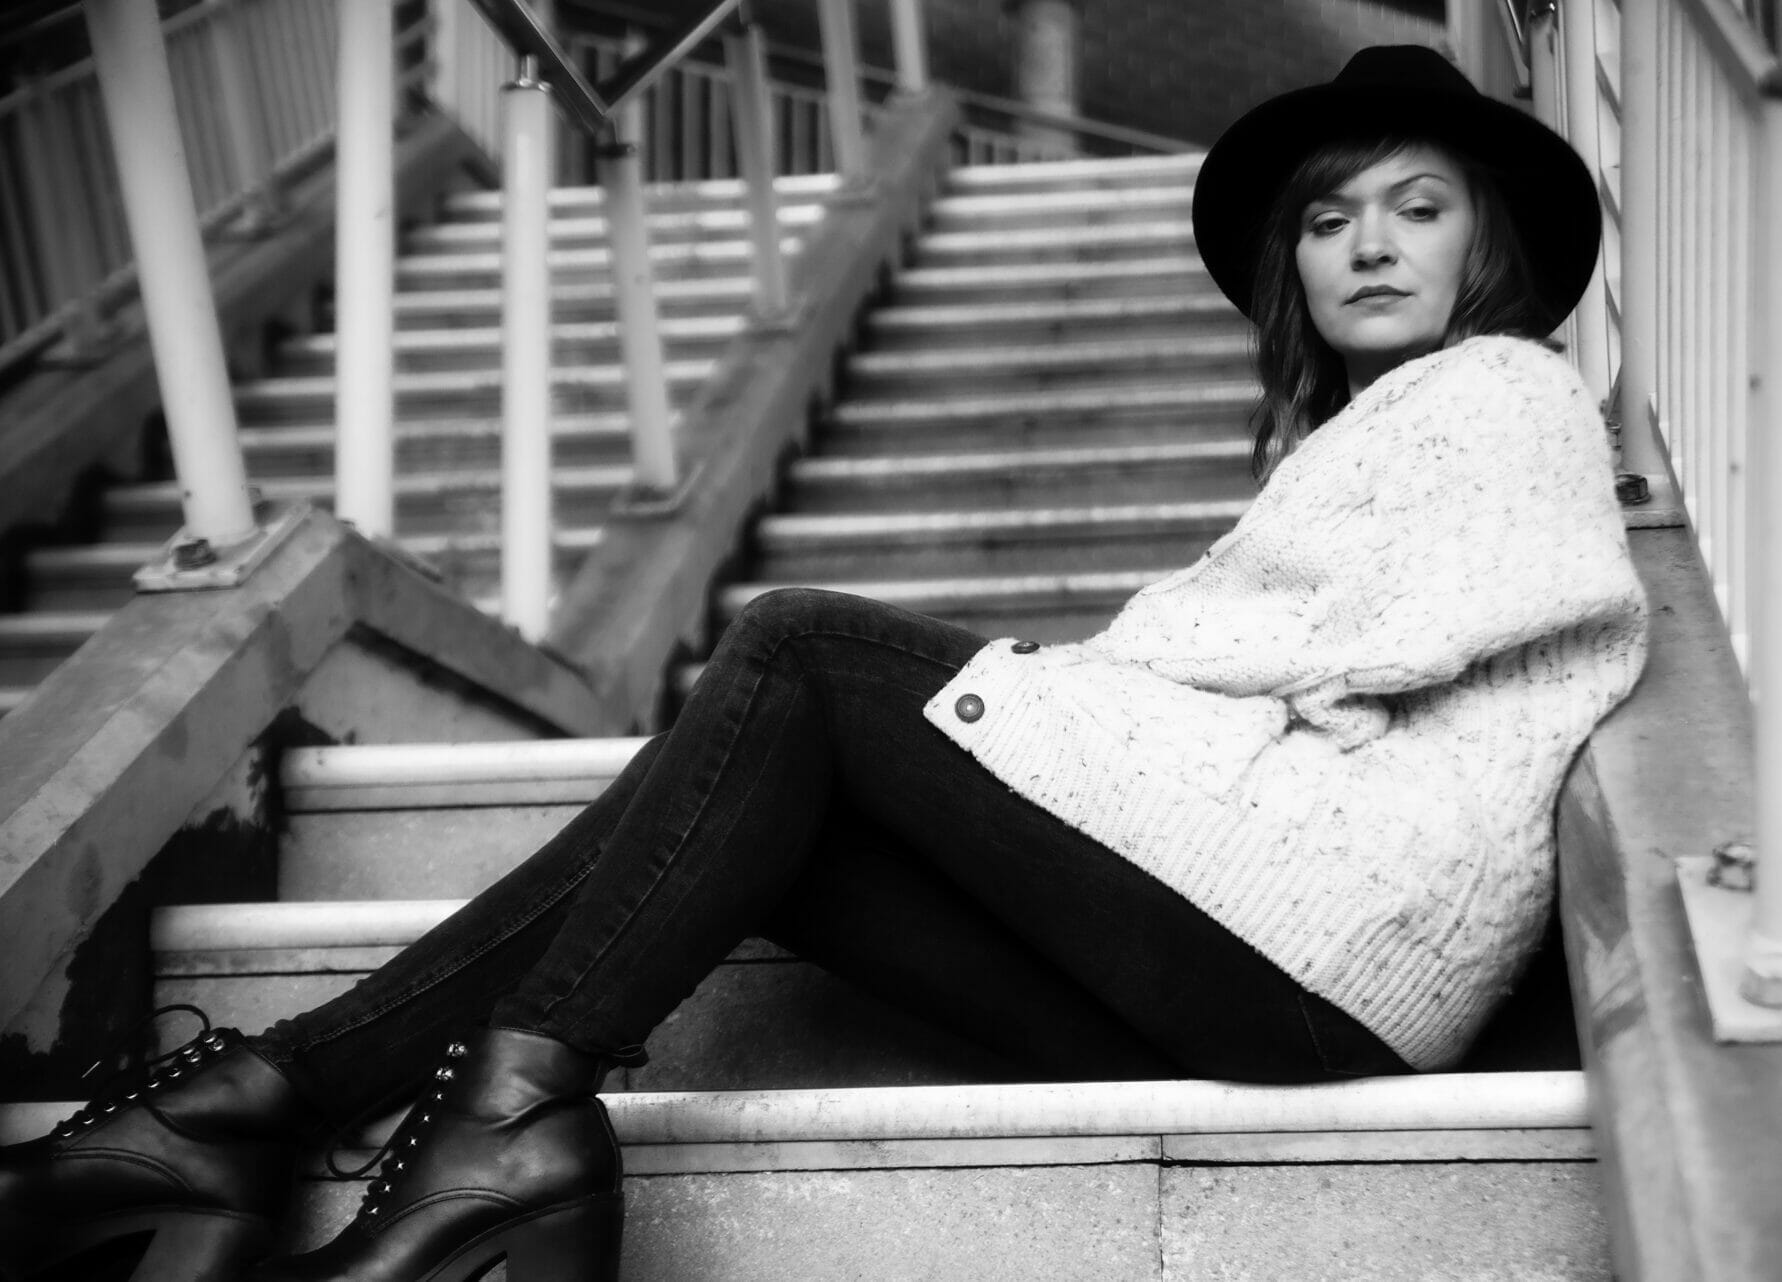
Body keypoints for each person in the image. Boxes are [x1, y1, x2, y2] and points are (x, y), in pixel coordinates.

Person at [0, 44, 1648, 1282]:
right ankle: (294, 1119)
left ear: (1487, 245)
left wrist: (1057, 682)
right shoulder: (1370, 435)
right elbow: (1282, 648)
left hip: (1329, 936)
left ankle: (355, 1122)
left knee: (798, 650)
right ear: (1288, 262)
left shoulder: (1501, 389)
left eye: (1418, 210)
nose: (1369, 244)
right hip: (1280, 975)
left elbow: (1342, 640)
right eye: (1331, 218)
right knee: (758, 819)